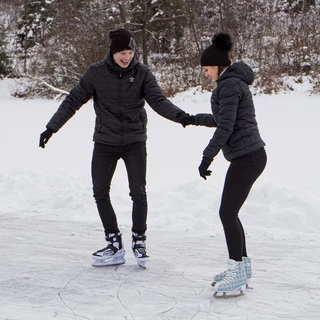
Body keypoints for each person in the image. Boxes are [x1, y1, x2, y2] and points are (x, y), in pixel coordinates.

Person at [39, 28, 190, 268]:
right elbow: (73, 100)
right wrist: (52, 128)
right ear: (112, 52)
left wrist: (181, 116)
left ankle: (139, 240)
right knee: (100, 191)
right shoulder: (95, 73)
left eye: (130, 52)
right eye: (122, 52)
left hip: (134, 141)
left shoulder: (142, 73)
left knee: (138, 192)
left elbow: (158, 101)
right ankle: (114, 242)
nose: (127, 57)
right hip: (105, 142)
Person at [184, 32, 267, 296]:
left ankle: (236, 269)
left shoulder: (230, 86)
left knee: (227, 213)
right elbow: (222, 118)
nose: (206, 74)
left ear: (219, 66)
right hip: (249, 155)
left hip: (247, 157)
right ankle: (242, 268)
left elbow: (226, 127)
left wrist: (207, 156)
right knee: (230, 213)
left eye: (207, 69)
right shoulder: (231, 84)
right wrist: (192, 119)